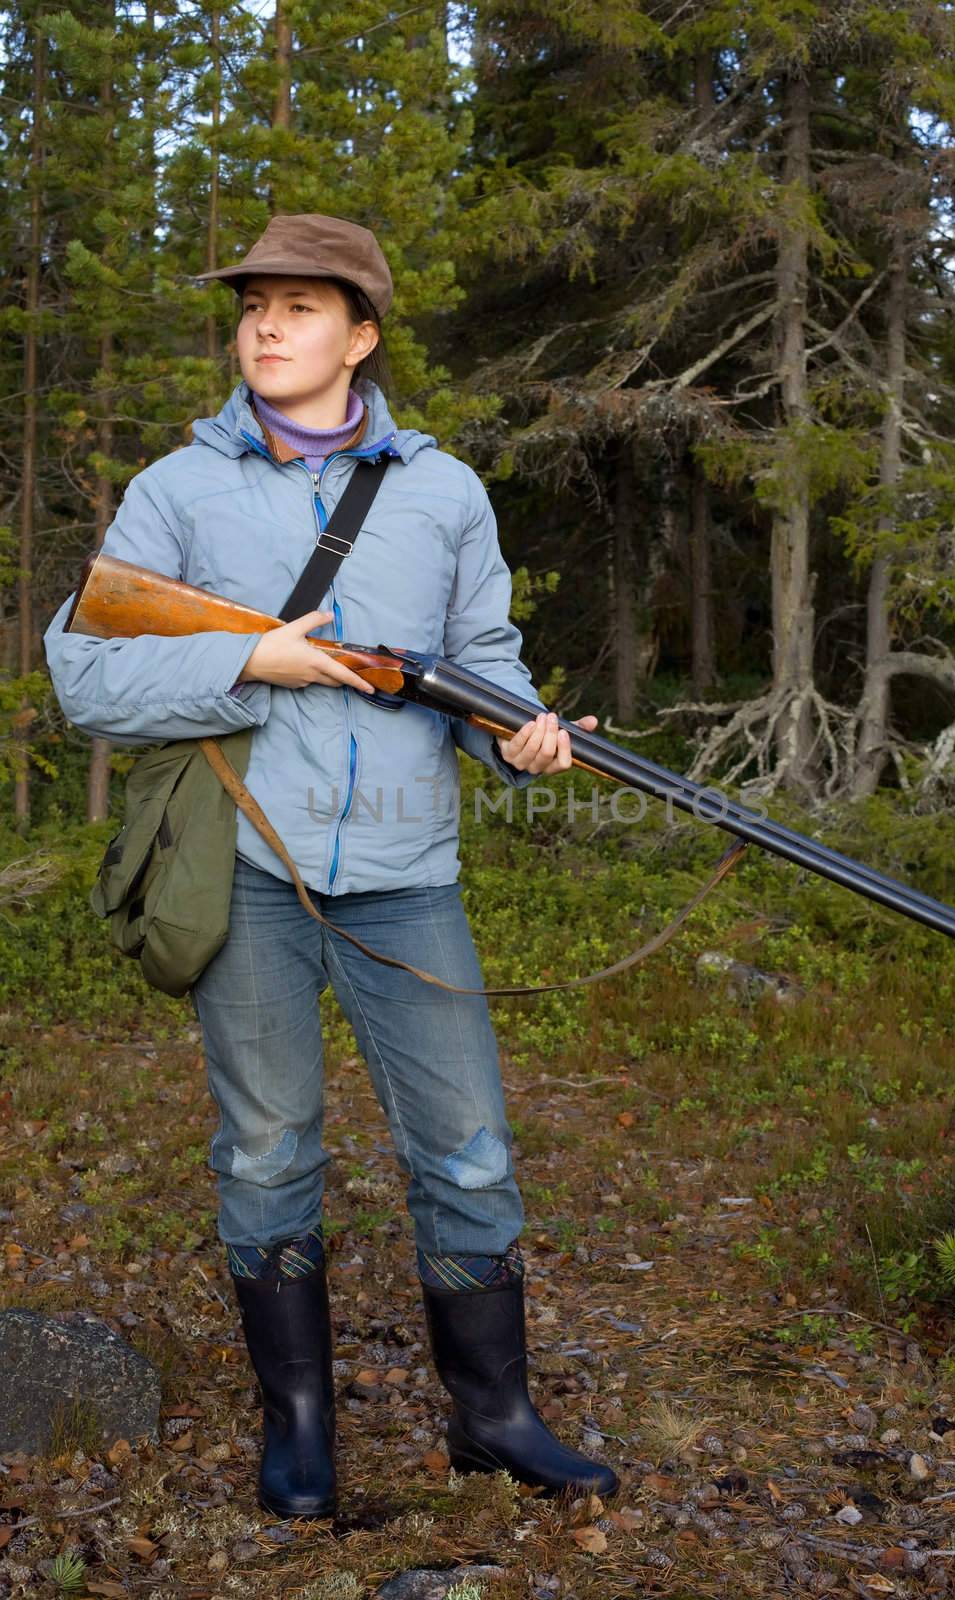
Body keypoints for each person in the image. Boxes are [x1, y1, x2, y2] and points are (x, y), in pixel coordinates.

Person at [43, 213, 619, 1517]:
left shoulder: (445, 492)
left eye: (299, 307)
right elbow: (83, 673)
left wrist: (519, 739)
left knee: (470, 1154)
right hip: (246, 867)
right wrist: (253, 657)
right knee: (266, 1152)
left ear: (360, 336)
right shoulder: (179, 491)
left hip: (410, 873)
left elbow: (485, 657)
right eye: (254, 304)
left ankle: (496, 1415)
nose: (264, 325)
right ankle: (298, 1424)